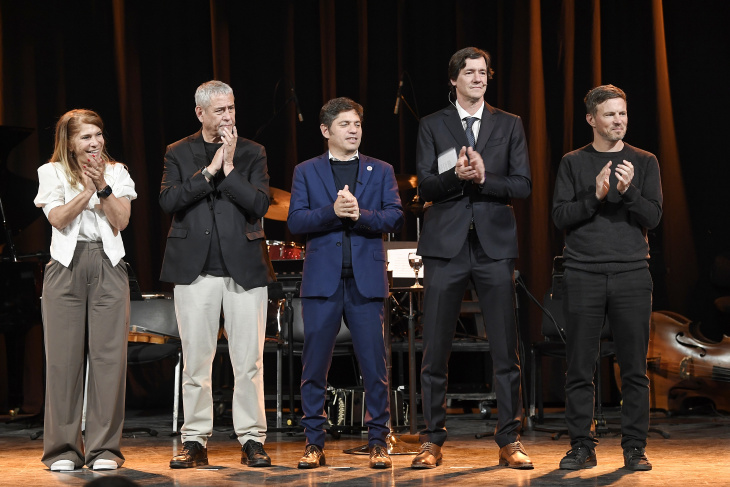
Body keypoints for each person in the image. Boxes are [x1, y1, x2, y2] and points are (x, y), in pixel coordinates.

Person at [414, 47, 533, 469]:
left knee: (504, 348)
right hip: (445, 246)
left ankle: (509, 438)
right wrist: (455, 177)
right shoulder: (432, 124)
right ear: (454, 79)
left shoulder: (509, 123)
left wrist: (484, 177)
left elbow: (522, 185)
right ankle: (432, 440)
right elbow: (425, 185)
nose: (478, 78)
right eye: (469, 72)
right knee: (435, 349)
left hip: (493, 247)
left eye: (483, 72)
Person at [160, 80, 275, 468]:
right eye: (220, 110)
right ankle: (194, 440)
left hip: (244, 268)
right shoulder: (178, 151)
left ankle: (252, 439)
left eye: (232, 108)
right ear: (201, 113)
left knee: (249, 362)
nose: (228, 116)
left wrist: (229, 168)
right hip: (195, 271)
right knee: (196, 361)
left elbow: (259, 204)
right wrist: (209, 171)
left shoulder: (252, 152)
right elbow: (169, 200)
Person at [287, 97, 404, 469]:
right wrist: (332, 212)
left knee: (375, 367)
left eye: (357, 124)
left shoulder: (380, 170)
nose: (353, 130)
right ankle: (314, 443)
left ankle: (378, 441)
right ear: (326, 130)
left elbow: (394, 216)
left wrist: (360, 214)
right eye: (344, 124)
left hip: (366, 283)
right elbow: (296, 221)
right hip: (322, 282)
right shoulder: (306, 170)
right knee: (314, 368)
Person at [552, 84, 662, 471]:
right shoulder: (573, 162)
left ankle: (634, 447)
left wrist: (628, 192)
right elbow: (560, 217)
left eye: (623, 113)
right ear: (591, 119)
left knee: (633, 368)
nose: (619, 120)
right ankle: (582, 446)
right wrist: (595, 196)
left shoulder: (644, 161)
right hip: (583, 273)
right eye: (610, 114)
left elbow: (653, 217)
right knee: (580, 368)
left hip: (632, 274)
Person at [34, 109, 136, 471]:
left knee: (109, 359)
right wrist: (87, 190)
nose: (95, 142)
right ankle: (63, 450)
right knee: (62, 361)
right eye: (86, 137)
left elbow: (121, 220)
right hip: (66, 266)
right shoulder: (51, 172)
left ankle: (104, 449)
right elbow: (58, 218)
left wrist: (103, 185)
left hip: (108, 265)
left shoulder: (117, 172)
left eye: (98, 134)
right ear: (69, 143)